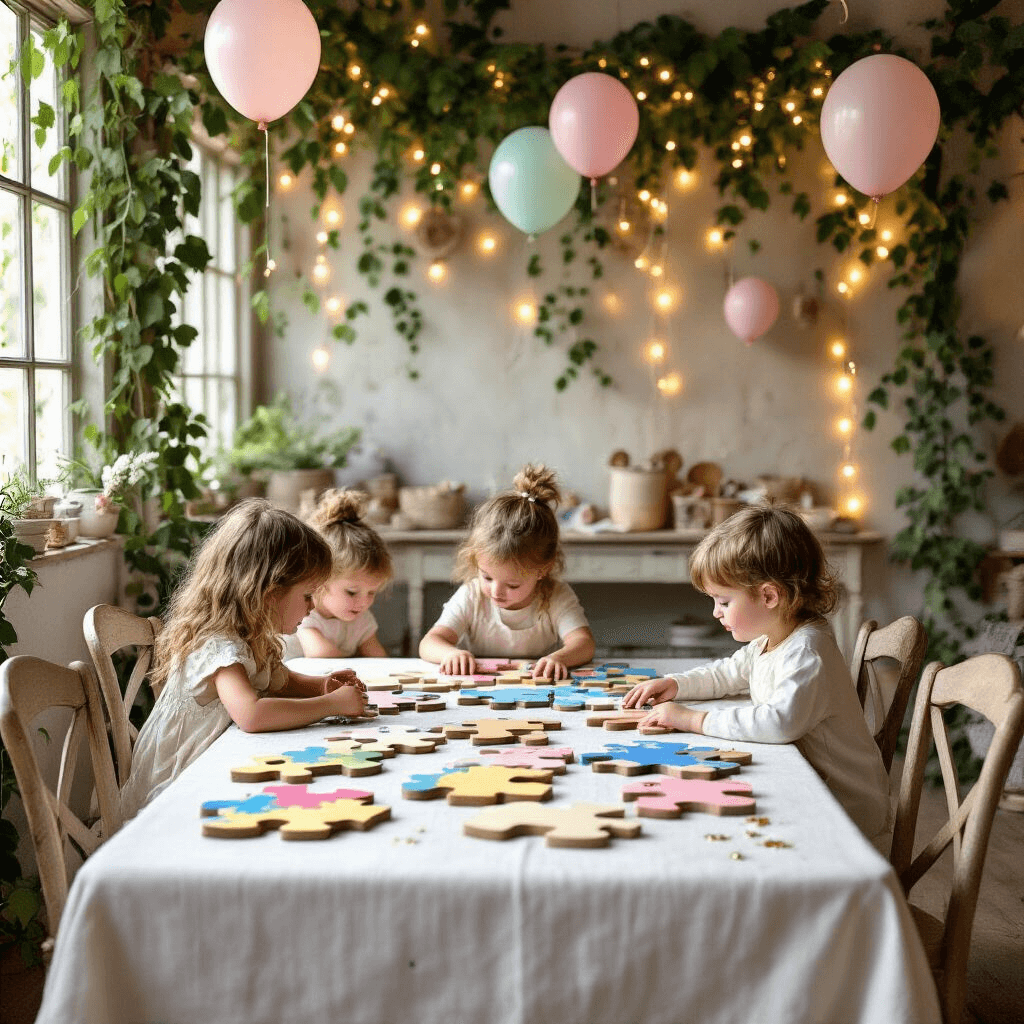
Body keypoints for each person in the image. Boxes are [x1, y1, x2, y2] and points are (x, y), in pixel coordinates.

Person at [621, 503, 892, 852]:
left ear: (768, 596)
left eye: (723, 601)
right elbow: (726, 673)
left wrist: (692, 719)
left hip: (844, 812)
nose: (715, 613)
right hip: (809, 788)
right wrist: (676, 684)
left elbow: (778, 723)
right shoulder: (770, 639)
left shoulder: (807, 653)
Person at [120, 499, 372, 819]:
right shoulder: (219, 644)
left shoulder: (250, 632)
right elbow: (251, 715)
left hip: (216, 765)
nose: (312, 607)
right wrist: (331, 705)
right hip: (177, 786)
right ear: (269, 594)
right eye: (307, 596)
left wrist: (321, 686)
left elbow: (280, 682)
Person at [418, 464, 595, 680]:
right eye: (487, 577)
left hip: (538, 688)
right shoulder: (472, 594)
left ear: (542, 570)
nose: (496, 591)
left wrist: (559, 658)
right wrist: (451, 653)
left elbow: (584, 643)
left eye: (512, 585)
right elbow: (429, 643)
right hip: (477, 688)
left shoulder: (556, 595)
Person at [288, 488, 393, 659]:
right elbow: (320, 656)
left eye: (372, 593)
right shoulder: (304, 614)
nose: (363, 603)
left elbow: (378, 659)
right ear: (319, 581)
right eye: (351, 592)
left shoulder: (360, 619)